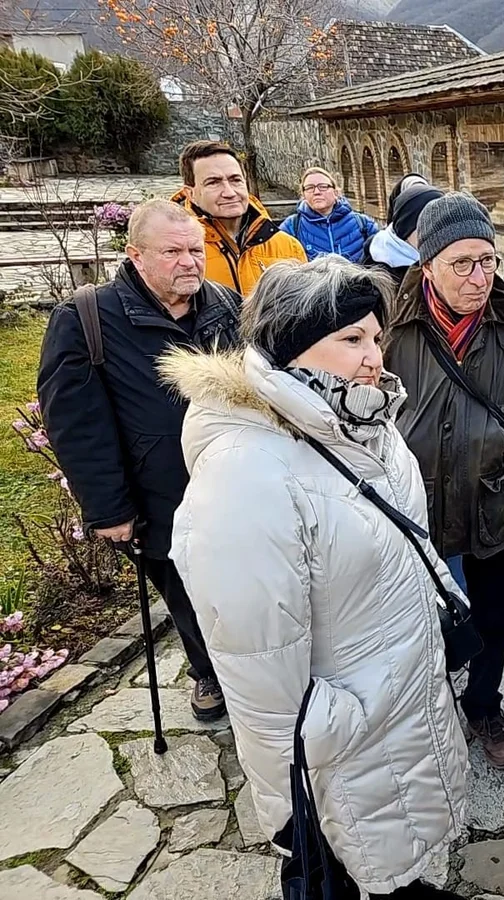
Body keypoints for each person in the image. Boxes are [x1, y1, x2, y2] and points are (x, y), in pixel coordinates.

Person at [163, 256, 469, 899]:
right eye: (351, 339)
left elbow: (402, 535)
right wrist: (341, 723)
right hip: (346, 733)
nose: (374, 356)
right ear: (294, 351)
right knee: (343, 861)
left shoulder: (360, 421)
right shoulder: (248, 472)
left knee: (394, 847)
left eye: (376, 336)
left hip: (394, 696)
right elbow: (257, 662)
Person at [37, 199, 241, 721]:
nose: (189, 262)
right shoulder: (86, 319)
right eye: (172, 252)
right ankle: (209, 674)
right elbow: (77, 425)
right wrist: (108, 510)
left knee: (242, 587)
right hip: (158, 493)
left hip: (233, 483)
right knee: (183, 590)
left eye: (195, 249)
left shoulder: (224, 305)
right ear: (136, 255)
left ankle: (253, 675)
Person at [385, 193, 504, 771]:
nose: (478, 276)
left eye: (488, 260)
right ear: (428, 265)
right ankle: (420, 715)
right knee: (412, 621)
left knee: (492, 620)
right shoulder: (391, 322)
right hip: (414, 506)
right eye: (461, 263)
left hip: (493, 502)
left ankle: (484, 706)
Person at [171, 140, 306, 296]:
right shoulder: (174, 254)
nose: (229, 192)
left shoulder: (287, 246)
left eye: (235, 180)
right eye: (213, 182)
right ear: (191, 194)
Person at [280, 166, 379, 263]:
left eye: (323, 187)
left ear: (335, 192)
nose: (317, 192)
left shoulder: (363, 224)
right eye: (310, 188)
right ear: (304, 195)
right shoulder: (291, 227)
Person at [364, 175, 444, 284]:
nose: (436, 235)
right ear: (406, 230)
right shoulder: (376, 273)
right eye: (427, 226)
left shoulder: (445, 259)